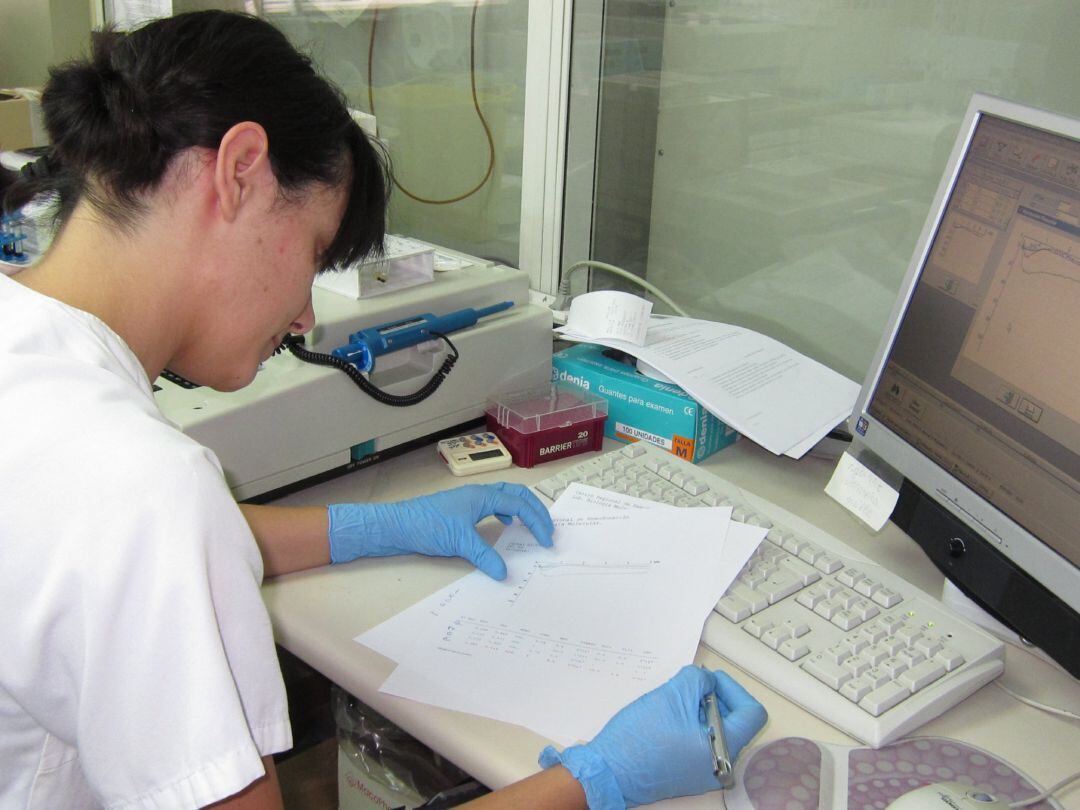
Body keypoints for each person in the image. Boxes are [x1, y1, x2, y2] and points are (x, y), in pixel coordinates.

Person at [0, 11, 766, 809]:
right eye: (313, 252)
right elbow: (140, 531)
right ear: (240, 171)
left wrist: (373, 526)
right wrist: (590, 781)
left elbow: (105, 552)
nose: (304, 316)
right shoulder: (137, 490)